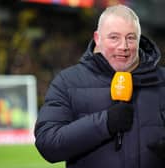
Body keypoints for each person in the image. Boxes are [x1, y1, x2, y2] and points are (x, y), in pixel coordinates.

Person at [34, 4, 165, 168]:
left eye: (131, 38)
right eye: (114, 37)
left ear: (139, 40)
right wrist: (104, 123)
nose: (123, 46)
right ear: (97, 38)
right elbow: (48, 144)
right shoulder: (68, 82)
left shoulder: (162, 80)